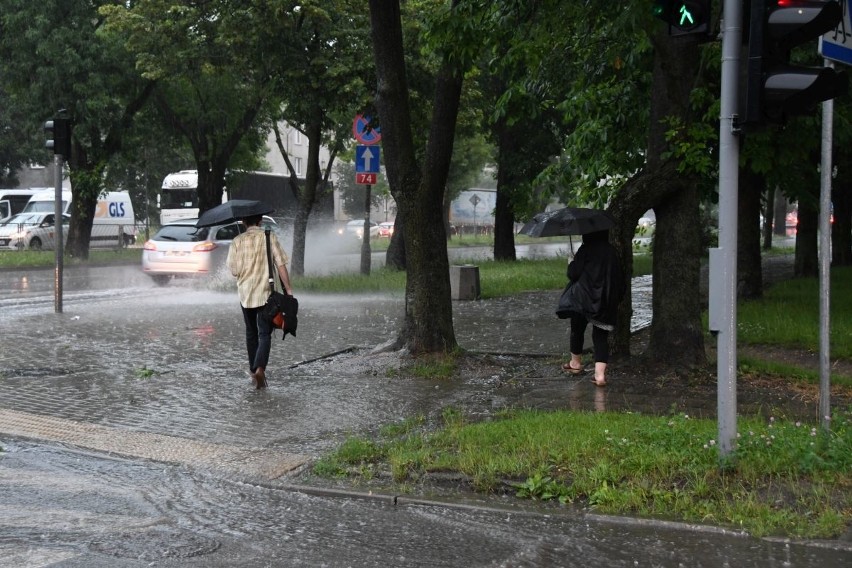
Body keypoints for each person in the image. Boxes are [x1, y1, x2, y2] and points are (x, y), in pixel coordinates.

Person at [226, 215, 293, 389]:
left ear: (243, 222)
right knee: (264, 334)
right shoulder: (269, 237)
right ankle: (260, 370)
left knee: (251, 332)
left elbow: (234, 271)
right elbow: (281, 265)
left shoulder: (236, 242)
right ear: (260, 221)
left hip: (246, 294)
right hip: (265, 294)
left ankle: (253, 370)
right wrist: (289, 290)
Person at [557, 229, 625, 387]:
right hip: (605, 302)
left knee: (577, 330)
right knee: (600, 337)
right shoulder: (612, 252)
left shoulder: (585, 249)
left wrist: (571, 262)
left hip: (583, 300)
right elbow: (620, 277)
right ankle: (600, 375)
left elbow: (574, 274)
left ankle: (575, 364)